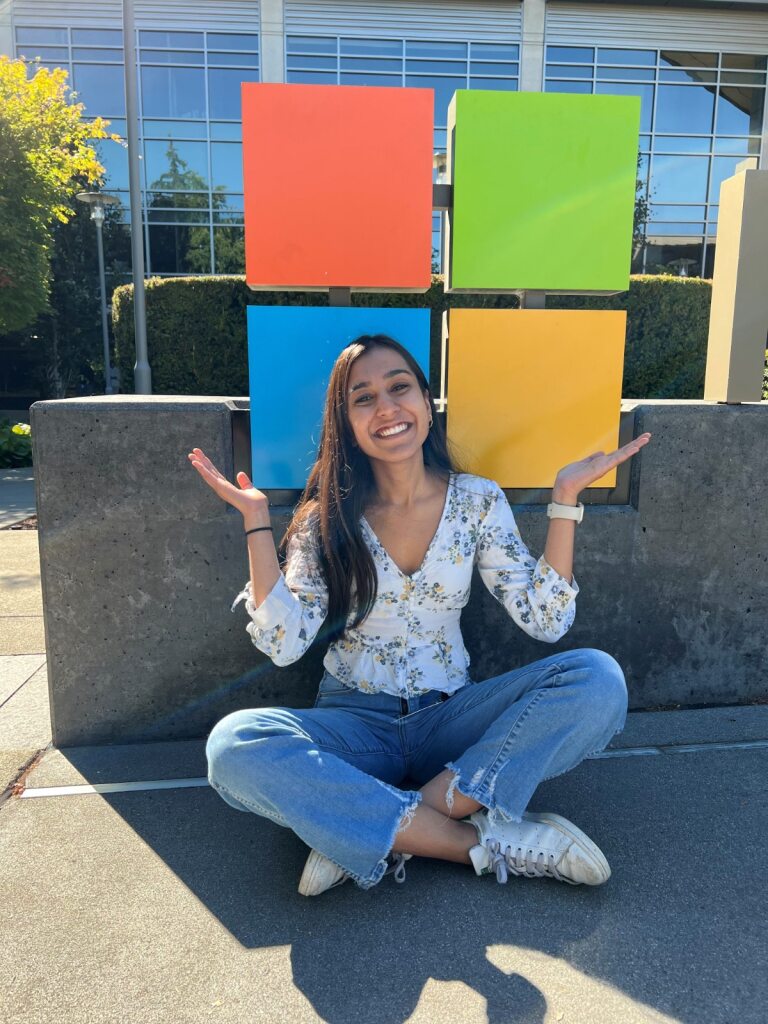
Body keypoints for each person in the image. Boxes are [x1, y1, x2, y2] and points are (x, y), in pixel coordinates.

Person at [190, 333, 652, 897]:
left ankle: (374, 827)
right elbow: (286, 644)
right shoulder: (324, 521)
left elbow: (546, 620)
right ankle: (476, 843)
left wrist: (565, 499)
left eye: (399, 387)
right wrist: (257, 521)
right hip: (355, 725)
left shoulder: (477, 500)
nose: (386, 407)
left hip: (449, 719)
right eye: (363, 398)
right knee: (233, 747)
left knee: (597, 678)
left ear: (426, 405)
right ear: (349, 425)